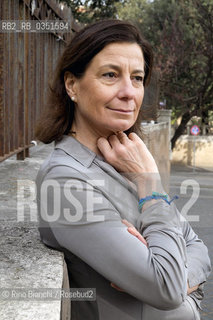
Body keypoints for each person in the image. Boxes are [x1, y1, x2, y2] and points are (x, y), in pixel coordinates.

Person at [35, 19, 211, 320]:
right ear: (72, 85)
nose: (129, 92)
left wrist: (169, 273)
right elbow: (165, 288)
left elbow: (199, 249)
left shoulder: (126, 161)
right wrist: (150, 187)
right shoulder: (65, 181)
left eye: (138, 78)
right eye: (110, 75)